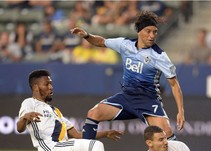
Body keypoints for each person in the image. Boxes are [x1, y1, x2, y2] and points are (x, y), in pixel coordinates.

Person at [70, 11, 185, 141]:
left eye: (155, 32)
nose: (152, 35)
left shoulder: (159, 56)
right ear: (139, 31)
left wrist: (180, 111)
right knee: (93, 113)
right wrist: (86, 35)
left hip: (148, 100)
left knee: (166, 134)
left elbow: (174, 84)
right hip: (126, 97)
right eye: (148, 31)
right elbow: (101, 42)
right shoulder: (125, 45)